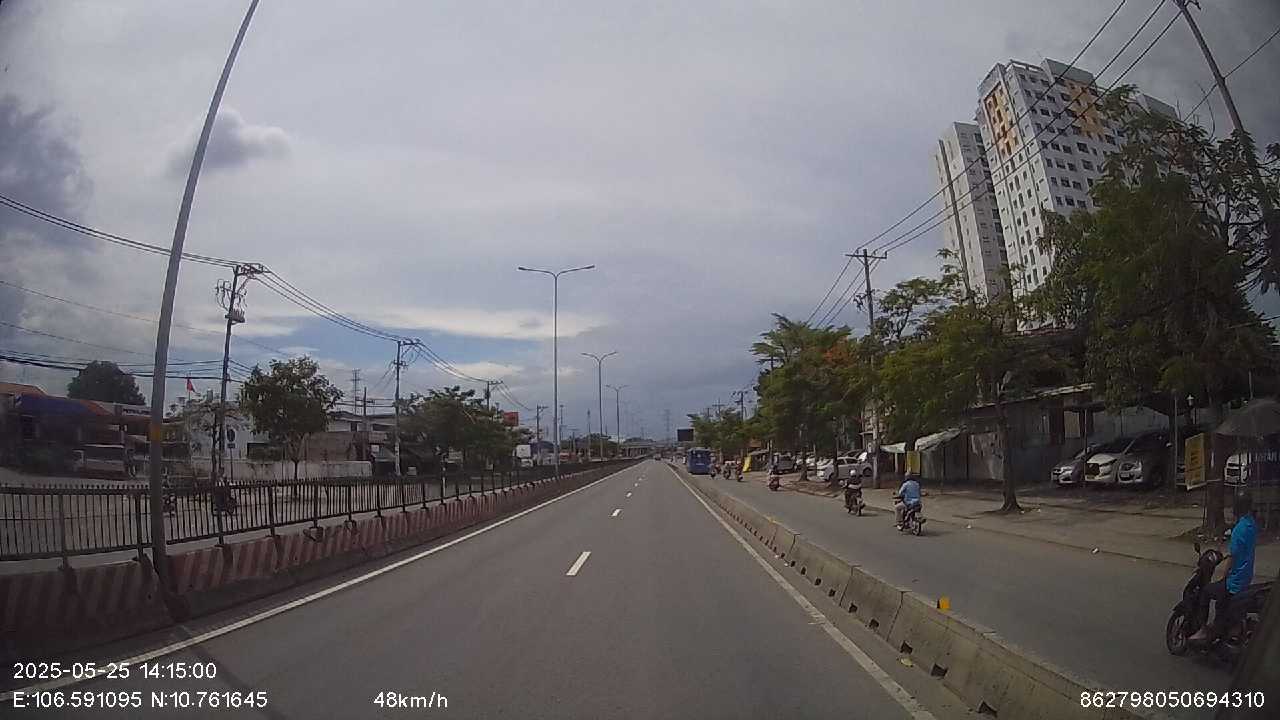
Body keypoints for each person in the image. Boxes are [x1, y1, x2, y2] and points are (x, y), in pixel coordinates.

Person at [1189, 492, 1257, 644]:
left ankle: (1203, 629)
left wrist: (1223, 576)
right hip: (1246, 576)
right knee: (1220, 600)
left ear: (1237, 506)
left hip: (1235, 581)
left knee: (1206, 591)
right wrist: (1226, 553)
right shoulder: (1251, 524)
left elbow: (1232, 558)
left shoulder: (1239, 529)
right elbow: (1241, 550)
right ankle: (1220, 625)